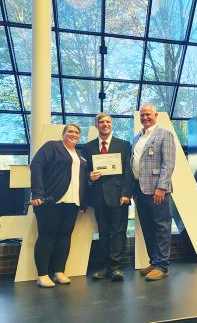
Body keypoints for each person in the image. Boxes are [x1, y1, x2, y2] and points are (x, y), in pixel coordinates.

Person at [30, 124, 87, 288]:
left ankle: (59, 272)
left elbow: (80, 178)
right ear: (63, 134)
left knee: (64, 237)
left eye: (77, 132)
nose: (73, 134)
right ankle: (42, 275)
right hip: (50, 201)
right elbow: (36, 166)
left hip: (72, 203)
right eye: (70, 131)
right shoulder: (52, 147)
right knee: (47, 236)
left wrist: (83, 202)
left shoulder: (79, 155)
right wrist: (37, 193)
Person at [81, 113, 132, 281]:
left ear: (112, 124)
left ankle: (116, 268)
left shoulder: (124, 145)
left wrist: (126, 193)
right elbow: (83, 172)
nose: (105, 124)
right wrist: (90, 176)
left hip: (119, 196)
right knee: (103, 232)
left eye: (108, 122)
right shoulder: (88, 147)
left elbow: (128, 171)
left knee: (118, 232)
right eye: (101, 122)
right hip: (98, 196)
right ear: (96, 125)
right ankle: (103, 267)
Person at [131, 103, 176, 281]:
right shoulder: (136, 137)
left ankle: (162, 266)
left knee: (161, 227)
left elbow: (169, 163)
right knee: (148, 228)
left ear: (156, 115)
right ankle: (154, 261)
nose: (145, 118)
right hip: (139, 191)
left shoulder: (165, 135)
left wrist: (162, 187)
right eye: (142, 115)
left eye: (148, 114)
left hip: (157, 191)